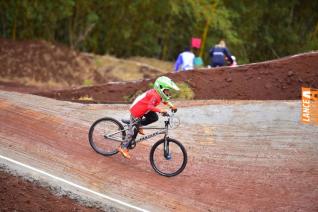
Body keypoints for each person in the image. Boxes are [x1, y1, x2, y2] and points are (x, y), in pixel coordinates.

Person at [117, 76, 179, 159]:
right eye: (167, 91)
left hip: (144, 110)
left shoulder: (159, 94)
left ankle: (138, 125)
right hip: (137, 111)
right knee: (132, 133)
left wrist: (172, 106)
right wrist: (160, 110)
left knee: (154, 118)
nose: (168, 93)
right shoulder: (155, 95)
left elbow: (164, 100)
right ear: (161, 88)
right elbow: (150, 106)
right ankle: (123, 147)